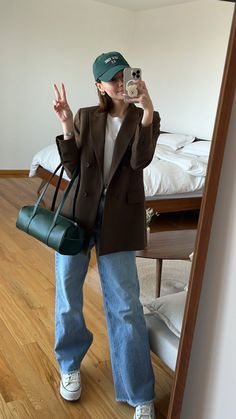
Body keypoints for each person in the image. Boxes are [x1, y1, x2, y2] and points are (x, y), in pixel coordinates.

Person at [52, 51, 160, 419]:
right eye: (111, 78)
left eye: (123, 74)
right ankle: (69, 365)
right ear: (98, 85)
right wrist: (67, 125)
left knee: (126, 307)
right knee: (68, 296)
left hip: (120, 220)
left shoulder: (145, 117)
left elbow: (139, 162)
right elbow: (71, 169)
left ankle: (139, 392)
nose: (119, 82)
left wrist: (146, 111)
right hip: (78, 217)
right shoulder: (85, 116)